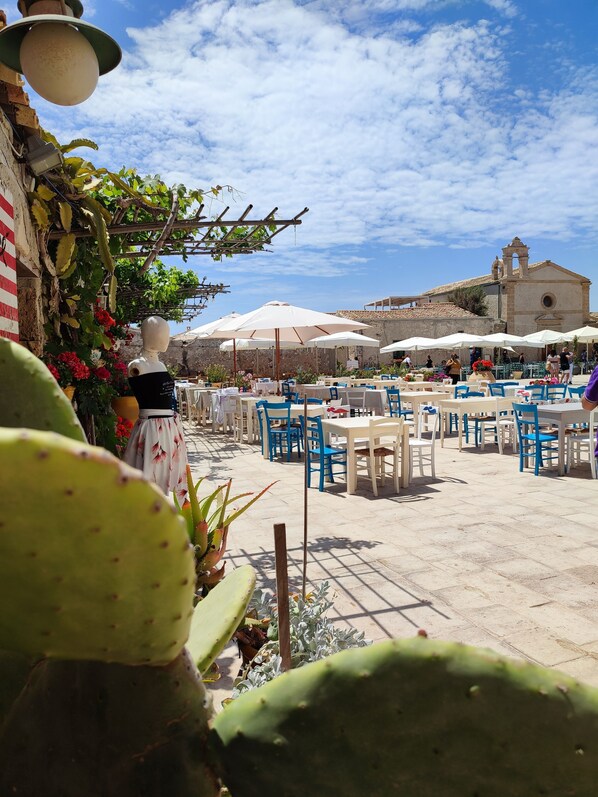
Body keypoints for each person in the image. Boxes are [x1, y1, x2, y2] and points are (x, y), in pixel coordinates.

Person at [124, 316, 188, 501]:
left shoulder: (159, 364)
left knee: (172, 476)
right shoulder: (137, 366)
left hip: (170, 427)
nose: (166, 338)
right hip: (152, 428)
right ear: (148, 335)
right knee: (151, 480)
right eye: (162, 333)